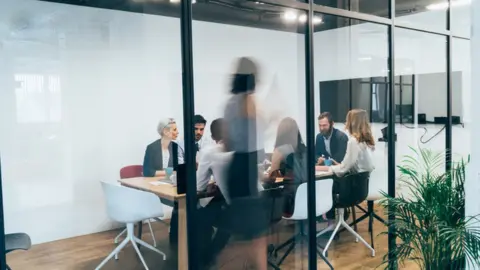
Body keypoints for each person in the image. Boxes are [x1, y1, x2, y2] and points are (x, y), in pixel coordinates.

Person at [223, 57, 268, 270]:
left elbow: (227, 144)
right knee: (256, 236)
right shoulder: (247, 102)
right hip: (246, 170)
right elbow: (255, 135)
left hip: (237, 168)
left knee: (244, 235)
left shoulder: (230, 103)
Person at [195, 118, 233, 267]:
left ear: (212, 137)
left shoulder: (210, 151)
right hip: (265, 204)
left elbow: (199, 186)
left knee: (201, 213)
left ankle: (206, 258)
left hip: (238, 209)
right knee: (216, 207)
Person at [316, 109, 375, 176]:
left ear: (352, 123)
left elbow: (344, 168)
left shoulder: (353, 141)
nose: (346, 123)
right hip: (362, 180)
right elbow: (348, 165)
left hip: (355, 181)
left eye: (347, 121)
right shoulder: (363, 140)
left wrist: (322, 168)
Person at [268, 117, 307, 216]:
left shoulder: (280, 151)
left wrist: (263, 176)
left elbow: (274, 178)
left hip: (289, 201)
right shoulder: (304, 149)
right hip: (307, 197)